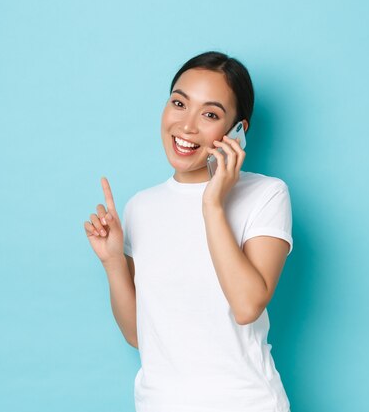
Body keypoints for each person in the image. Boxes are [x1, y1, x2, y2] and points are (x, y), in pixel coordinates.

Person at [84, 51, 293, 412]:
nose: (187, 125)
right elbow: (138, 335)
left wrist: (213, 204)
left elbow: (247, 306)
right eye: (179, 103)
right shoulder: (140, 207)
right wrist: (113, 262)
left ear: (237, 130)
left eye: (210, 114)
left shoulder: (267, 194)